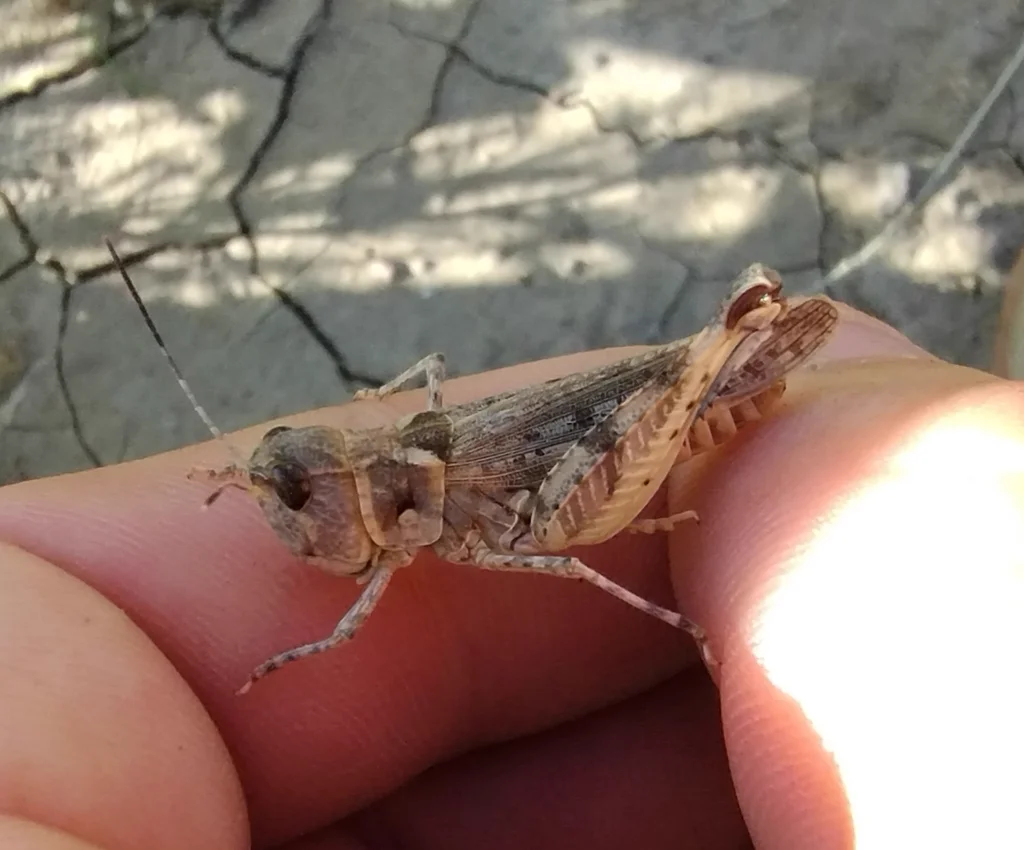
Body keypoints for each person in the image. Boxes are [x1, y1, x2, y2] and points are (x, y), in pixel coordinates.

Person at [0, 304, 1020, 850]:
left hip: (639, 437)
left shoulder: (438, 507)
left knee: (570, 565)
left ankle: (729, 341)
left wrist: (680, 604)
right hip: (571, 451)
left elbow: (363, 624)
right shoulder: (389, 479)